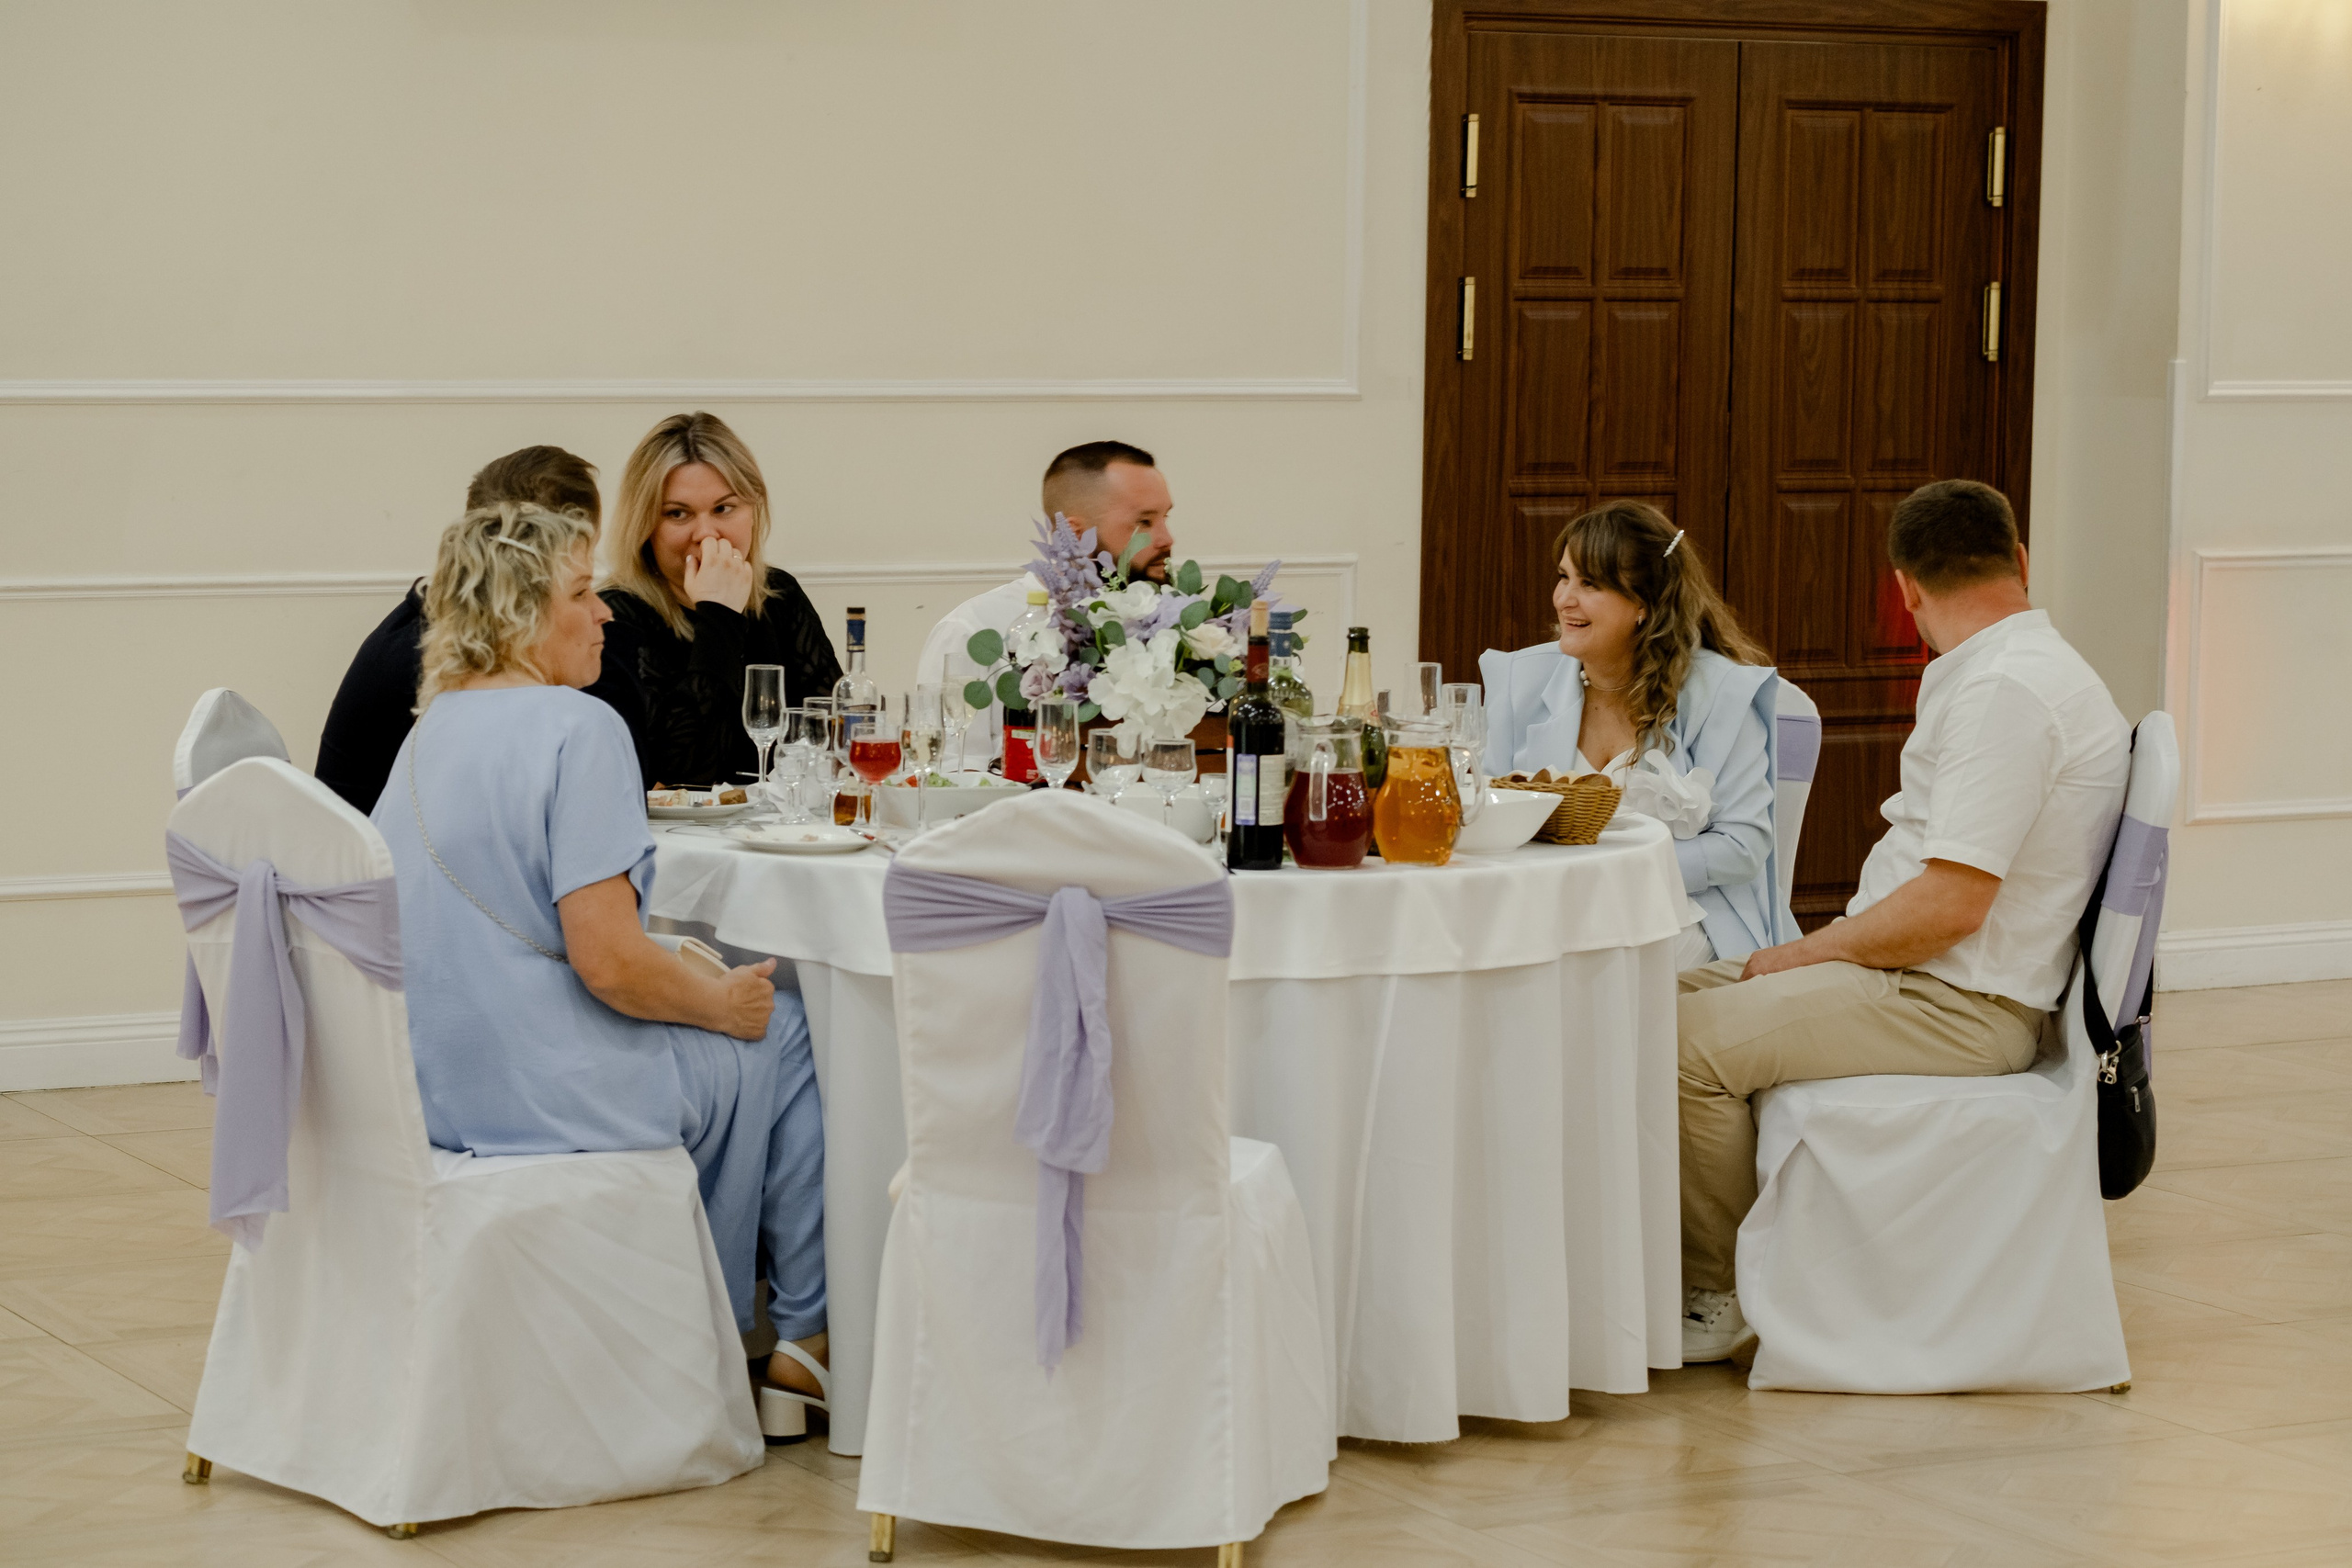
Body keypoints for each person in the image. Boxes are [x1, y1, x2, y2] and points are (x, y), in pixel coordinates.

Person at [374, 501, 829, 1404]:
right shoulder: (576, 728)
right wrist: (719, 1004)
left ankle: (742, 1312)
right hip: (540, 1083)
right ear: (521, 615)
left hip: (433, 1081)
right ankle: (798, 1338)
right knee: (785, 1029)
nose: (606, 614)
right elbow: (610, 966)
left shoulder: (426, 732)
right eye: (581, 594)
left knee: (734, 1010)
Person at [1673, 479, 2129, 1362]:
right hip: (1923, 978)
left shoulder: (2008, 694)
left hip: (1958, 1003)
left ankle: (1724, 1291)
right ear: (2021, 562)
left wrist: (1804, 952)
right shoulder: (2021, 671)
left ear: (1905, 588)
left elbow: (1951, 909)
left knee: (1681, 1045)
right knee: (1632, 998)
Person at [1480, 502, 1783, 969]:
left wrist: (1611, 876)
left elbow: (1742, 847)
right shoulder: (1519, 680)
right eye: (1564, 577)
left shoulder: (1720, 695)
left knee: (1588, 966)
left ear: (1643, 603)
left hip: (1680, 910)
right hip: (1545, 909)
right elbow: (1487, 808)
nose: (1564, 599)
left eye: (1590, 584)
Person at [316, 446, 652, 813]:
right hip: (380, 866)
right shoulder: (455, 654)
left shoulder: (434, 624)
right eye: (577, 583)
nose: (599, 608)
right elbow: (623, 785)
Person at [601, 412, 841, 790]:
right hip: (676, 842)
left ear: (753, 508)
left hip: (780, 830)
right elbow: (683, 777)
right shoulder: (617, 616)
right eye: (678, 514)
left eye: (723, 509)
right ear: (645, 525)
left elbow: (831, 735)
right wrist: (718, 616)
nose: (705, 533)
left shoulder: (778, 594)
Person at [915, 440, 1174, 762]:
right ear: (1077, 535)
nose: (1167, 538)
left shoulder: (1167, 626)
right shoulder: (971, 630)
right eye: (1144, 522)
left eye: (1166, 517)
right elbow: (950, 775)